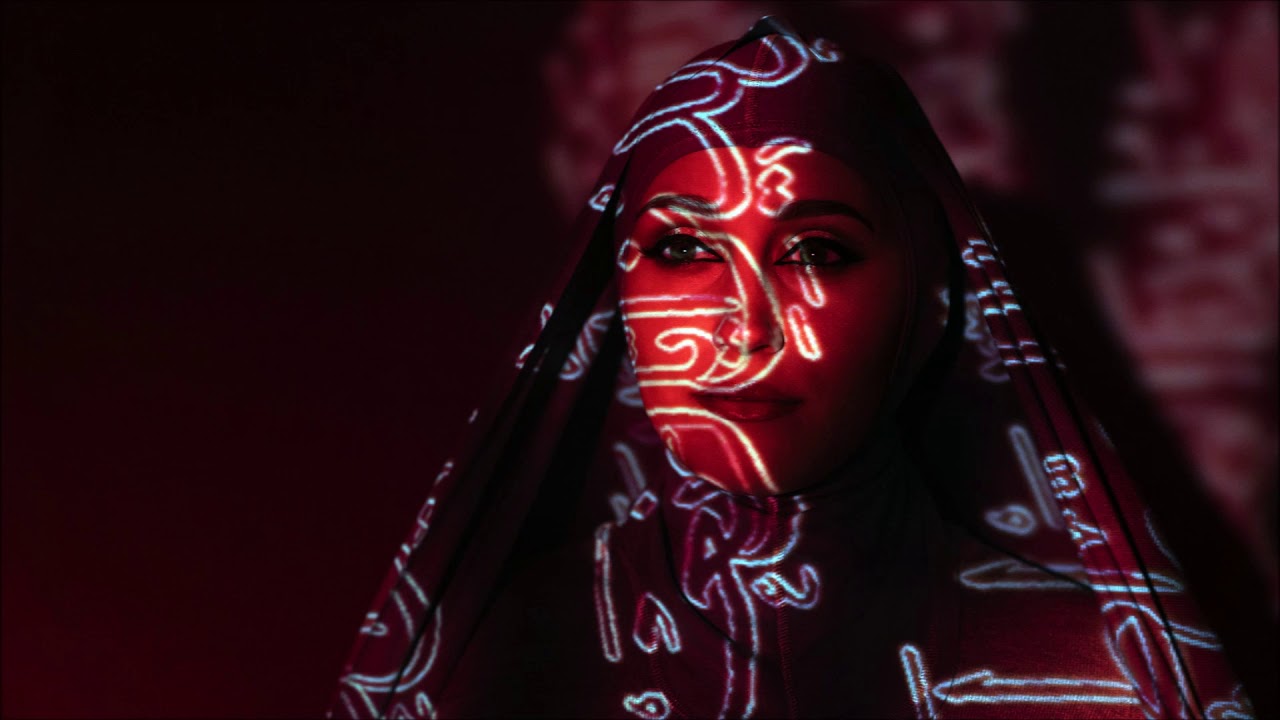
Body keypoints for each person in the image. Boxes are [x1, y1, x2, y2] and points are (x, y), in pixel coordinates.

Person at [328, 18, 1250, 719]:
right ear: (616, 298)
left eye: (815, 253)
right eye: (684, 250)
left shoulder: (1094, 677)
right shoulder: (500, 656)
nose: (745, 328)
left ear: (928, 302)